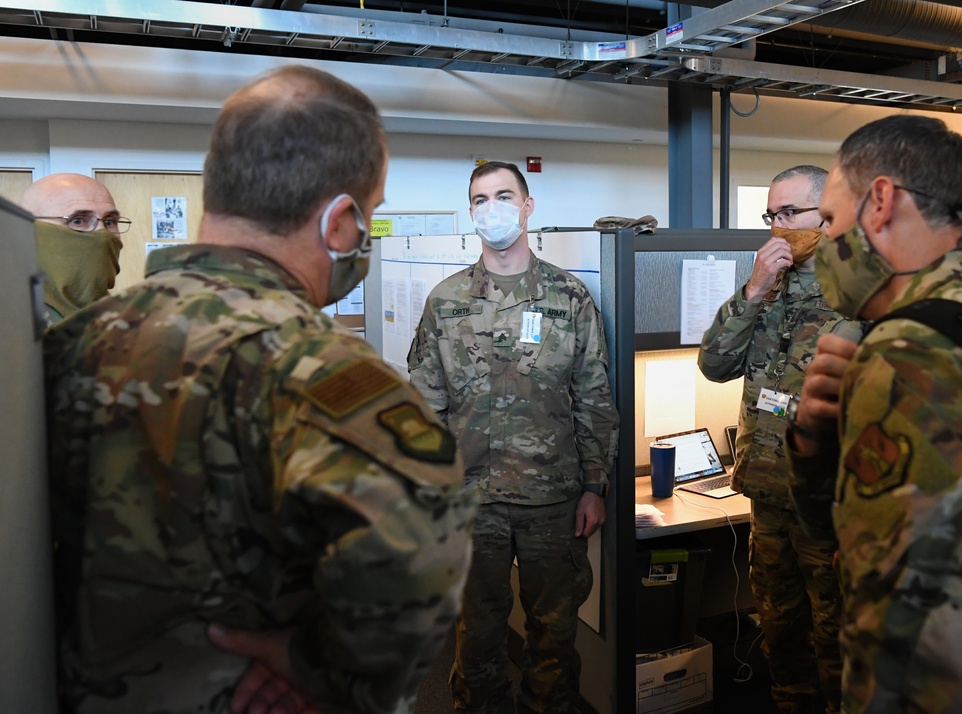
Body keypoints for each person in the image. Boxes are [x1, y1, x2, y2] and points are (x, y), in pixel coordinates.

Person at [44, 64, 476, 714]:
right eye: (372, 216)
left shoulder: (69, 344)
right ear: (339, 222)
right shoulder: (319, 367)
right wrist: (320, 669)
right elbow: (419, 553)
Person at [787, 114, 962, 712]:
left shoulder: (907, 353)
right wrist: (812, 439)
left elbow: (915, 629)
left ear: (880, 202)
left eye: (827, 218)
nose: (822, 241)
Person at [406, 161, 619, 714]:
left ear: (527, 207)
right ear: (472, 213)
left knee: (553, 635)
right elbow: (424, 405)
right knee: (477, 635)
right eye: (480, 199)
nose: (492, 207)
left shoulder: (568, 298)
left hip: (553, 498)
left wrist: (595, 485)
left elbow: (595, 399)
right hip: (470, 499)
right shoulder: (446, 301)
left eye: (504, 195)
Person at [699, 165, 864, 714]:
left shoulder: (860, 297)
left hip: (829, 510)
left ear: (828, 217)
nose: (778, 226)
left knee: (837, 637)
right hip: (767, 496)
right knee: (778, 628)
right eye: (771, 215)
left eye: (790, 213)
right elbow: (715, 365)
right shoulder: (766, 292)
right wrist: (752, 290)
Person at [20, 172, 129, 325]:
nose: (102, 234)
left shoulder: (135, 322)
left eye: (110, 222)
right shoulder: (12, 326)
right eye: (77, 221)